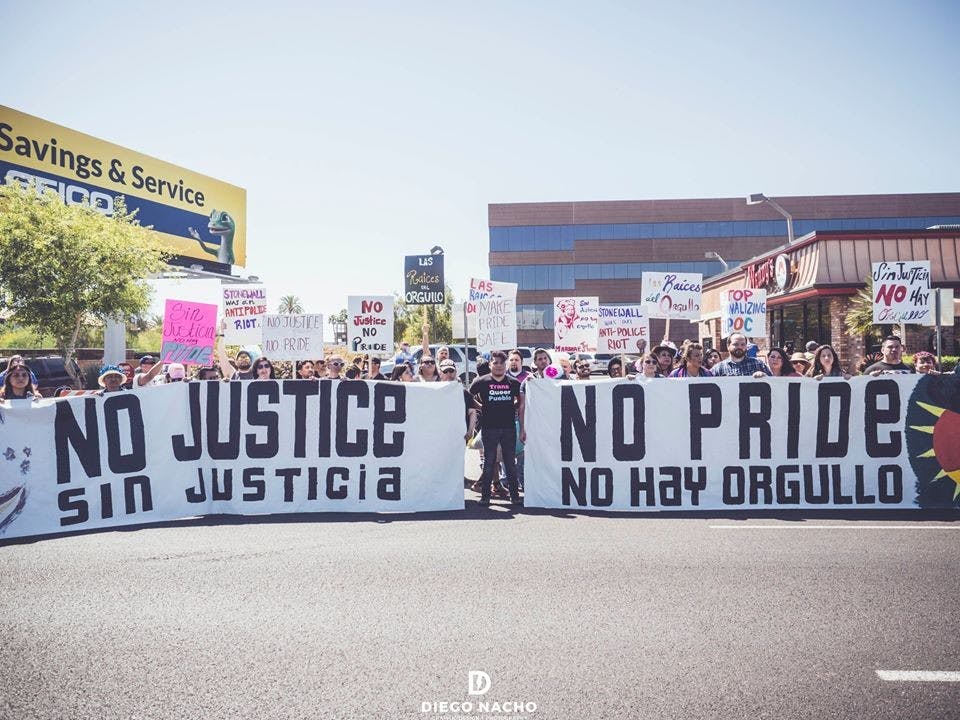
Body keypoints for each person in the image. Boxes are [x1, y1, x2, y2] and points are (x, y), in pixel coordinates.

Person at [469, 351, 524, 506]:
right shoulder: (481, 381)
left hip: (509, 428)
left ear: (506, 365)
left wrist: (512, 406)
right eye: (495, 363)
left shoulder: (514, 382)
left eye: (502, 363)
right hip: (489, 428)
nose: (499, 366)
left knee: (510, 462)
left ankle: (515, 496)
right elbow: (468, 396)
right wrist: (481, 407)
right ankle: (485, 497)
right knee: (489, 462)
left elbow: (521, 400)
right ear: (490, 365)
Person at [441, 359, 479, 442]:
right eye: (445, 371)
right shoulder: (436, 393)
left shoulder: (464, 392)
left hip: (460, 436)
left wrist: (470, 431)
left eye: (451, 371)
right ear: (440, 374)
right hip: (441, 435)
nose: (449, 374)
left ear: (456, 372)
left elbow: (472, 412)